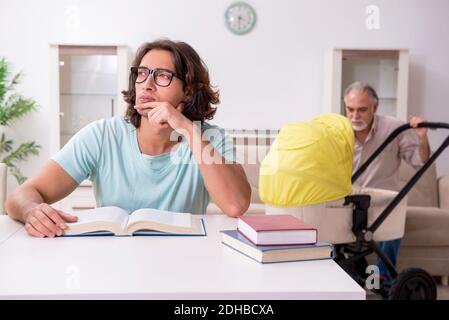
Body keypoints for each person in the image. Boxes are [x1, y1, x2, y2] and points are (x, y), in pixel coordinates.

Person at [5, 39, 251, 238]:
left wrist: (186, 128)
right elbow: (21, 196)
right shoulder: (102, 135)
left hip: (183, 263)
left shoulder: (208, 138)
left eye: (162, 75)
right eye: (141, 73)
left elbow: (235, 205)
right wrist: (31, 211)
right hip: (113, 262)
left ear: (187, 91)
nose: (147, 84)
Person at [344, 81, 431, 290]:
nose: (355, 116)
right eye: (350, 109)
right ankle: (354, 276)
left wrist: (422, 137)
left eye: (362, 110)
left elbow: (419, 161)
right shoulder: (339, 130)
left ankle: (383, 281)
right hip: (349, 201)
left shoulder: (393, 128)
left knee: (393, 221)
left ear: (375, 108)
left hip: (384, 201)